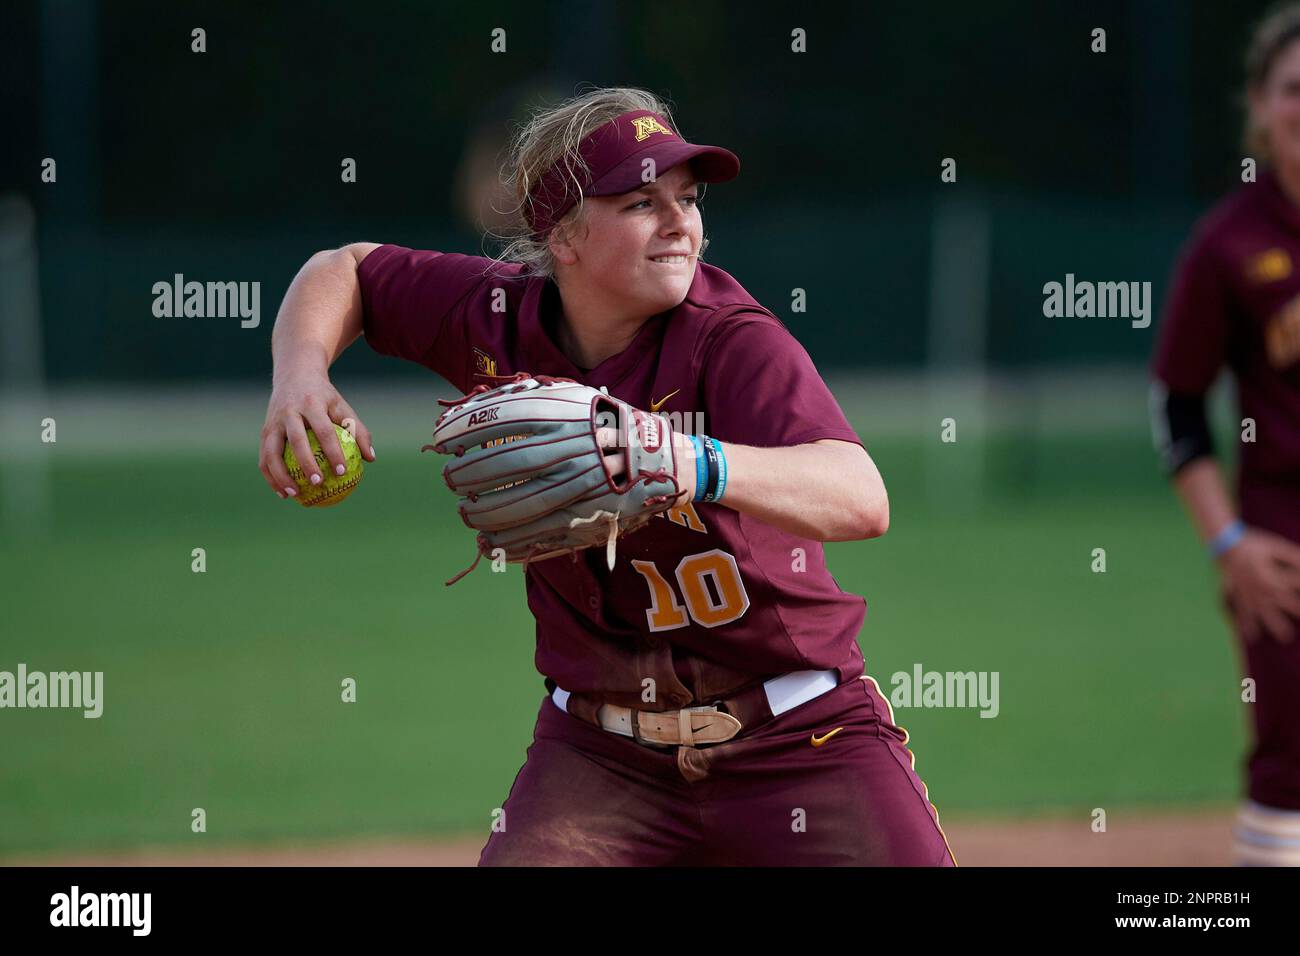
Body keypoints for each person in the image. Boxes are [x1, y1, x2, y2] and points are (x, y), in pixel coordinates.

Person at [260, 86, 954, 866]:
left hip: (800, 738)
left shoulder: (728, 341)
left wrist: (694, 460)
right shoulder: (493, 319)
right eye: (640, 202)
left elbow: (861, 496)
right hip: (600, 757)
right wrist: (299, 375)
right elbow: (345, 269)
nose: (679, 224)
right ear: (562, 234)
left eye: (687, 199)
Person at [1150, 6, 1300, 867]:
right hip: (1283, 547)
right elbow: (1177, 407)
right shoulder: (1230, 243)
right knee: (1290, 760)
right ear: (1260, 106)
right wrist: (1229, 542)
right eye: (1292, 89)